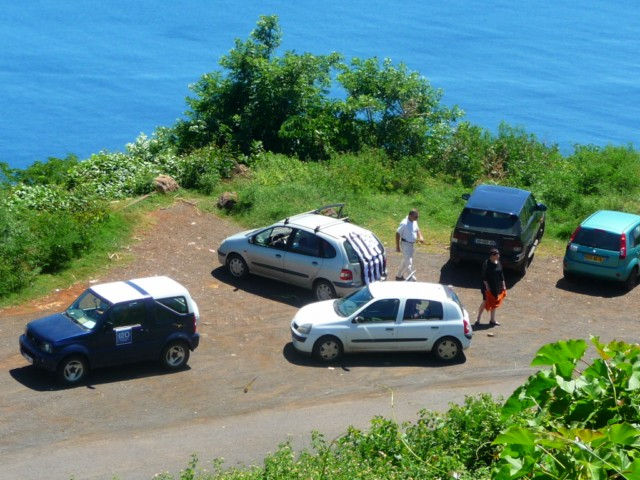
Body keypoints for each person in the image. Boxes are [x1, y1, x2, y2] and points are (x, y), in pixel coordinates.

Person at [475, 248, 507, 327]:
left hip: (496, 286)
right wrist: (487, 287)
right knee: (485, 301)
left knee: (494, 301)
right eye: (496, 255)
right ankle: (478, 319)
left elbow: (501, 275)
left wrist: (503, 284)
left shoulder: (498, 263)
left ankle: (492, 320)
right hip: (487, 287)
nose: (498, 256)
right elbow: (484, 277)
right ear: (492, 256)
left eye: (498, 254)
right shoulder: (486, 264)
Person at [395, 209, 424, 280]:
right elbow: (397, 233)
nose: (417, 218)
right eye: (415, 217)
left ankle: (398, 275)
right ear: (410, 216)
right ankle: (412, 279)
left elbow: (417, 230)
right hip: (405, 245)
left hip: (411, 245)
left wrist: (420, 237)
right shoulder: (404, 223)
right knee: (409, 262)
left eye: (417, 217)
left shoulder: (414, 221)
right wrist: (397, 246)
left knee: (405, 260)